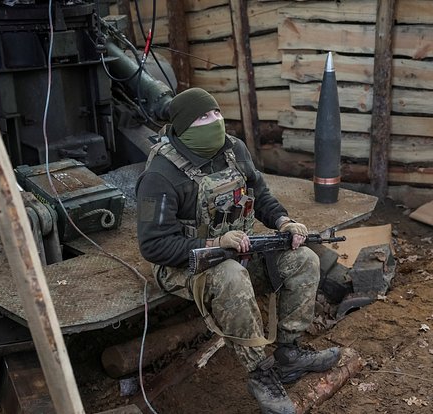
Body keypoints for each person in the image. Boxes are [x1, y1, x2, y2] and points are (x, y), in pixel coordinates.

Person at [135, 88, 340, 413]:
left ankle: (289, 353)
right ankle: (260, 373)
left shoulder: (234, 149)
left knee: (303, 260)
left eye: (216, 113)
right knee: (231, 277)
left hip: (239, 250)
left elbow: (260, 194)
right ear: (184, 126)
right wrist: (216, 244)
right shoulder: (159, 175)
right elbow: (153, 245)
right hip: (183, 266)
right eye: (204, 117)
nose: (215, 120)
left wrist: (284, 222)